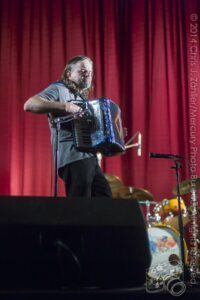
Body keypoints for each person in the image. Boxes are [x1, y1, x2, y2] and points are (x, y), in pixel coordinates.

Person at [24, 55, 112, 198]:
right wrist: (66, 106)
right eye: (83, 71)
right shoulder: (59, 88)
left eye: (90, 71)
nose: (88, 74)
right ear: (69, 74)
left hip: (89, 157)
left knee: (104, 198)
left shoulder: (81, 97)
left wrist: (110, 134)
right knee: (80, 207)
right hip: (73, 157)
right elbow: (30, 104)